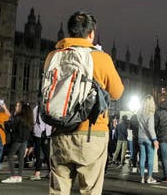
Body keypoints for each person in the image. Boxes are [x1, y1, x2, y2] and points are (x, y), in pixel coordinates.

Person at [46, 11, 124, 195]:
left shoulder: (53, 56)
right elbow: (117, 92)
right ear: (91, 34)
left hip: (59, 132)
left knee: (58, 191)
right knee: (89, 191)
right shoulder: (101, 58)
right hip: (91, 133)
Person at [2, 101, 34, 183]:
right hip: (24, 140)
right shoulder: (28, 118)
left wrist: (6, 124)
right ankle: (19, 176)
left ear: (21, 108)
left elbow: (11, 128)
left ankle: (13, 176)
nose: (16, 107)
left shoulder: (18, 117)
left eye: (17, 106)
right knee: (20, 158)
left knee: (10, 156)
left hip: (17, 139)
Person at [137, 95, 159, 184]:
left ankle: (142, 177)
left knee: (142, 158)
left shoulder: (139, 113)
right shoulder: (150, 114)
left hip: (140, 137)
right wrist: (154, 139)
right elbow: (150, 128)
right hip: (149, 138)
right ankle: (149, 177)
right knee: (150, 159)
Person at [31, 104, 52, 180]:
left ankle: (37, 173)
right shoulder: (48, 107)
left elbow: (35, 121)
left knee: (40, 153)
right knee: (47, 154)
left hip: (40, 133)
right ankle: (50, 172)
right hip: (46, 133)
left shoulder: (36, 108)